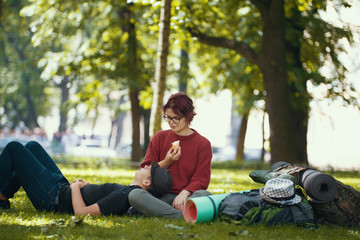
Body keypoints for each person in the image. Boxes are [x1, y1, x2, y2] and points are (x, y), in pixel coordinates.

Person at [0, 140, 172, 216]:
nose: (147, 165)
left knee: (14, 148)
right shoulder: (127, 191)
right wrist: (76, 186)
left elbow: (82, 213)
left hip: (53, 198)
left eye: (150, 168)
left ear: (147, 182)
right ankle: (2, 196)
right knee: (32, 146)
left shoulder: (123, 197)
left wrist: (76, 188)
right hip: (62, 187)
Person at [128, 92, 213, 218]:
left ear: (188, 116)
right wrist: (167, 162)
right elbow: (144, 169)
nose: (171, 122)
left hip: (186, 197)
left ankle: (155, 212)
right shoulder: (159, 137)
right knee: (134, 195)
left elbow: (201, 179)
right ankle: (181, 216)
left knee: (204, 195)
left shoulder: (203, 144)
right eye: (168, 117)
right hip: (158, 197)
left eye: (176, 118)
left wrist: (185, 192)